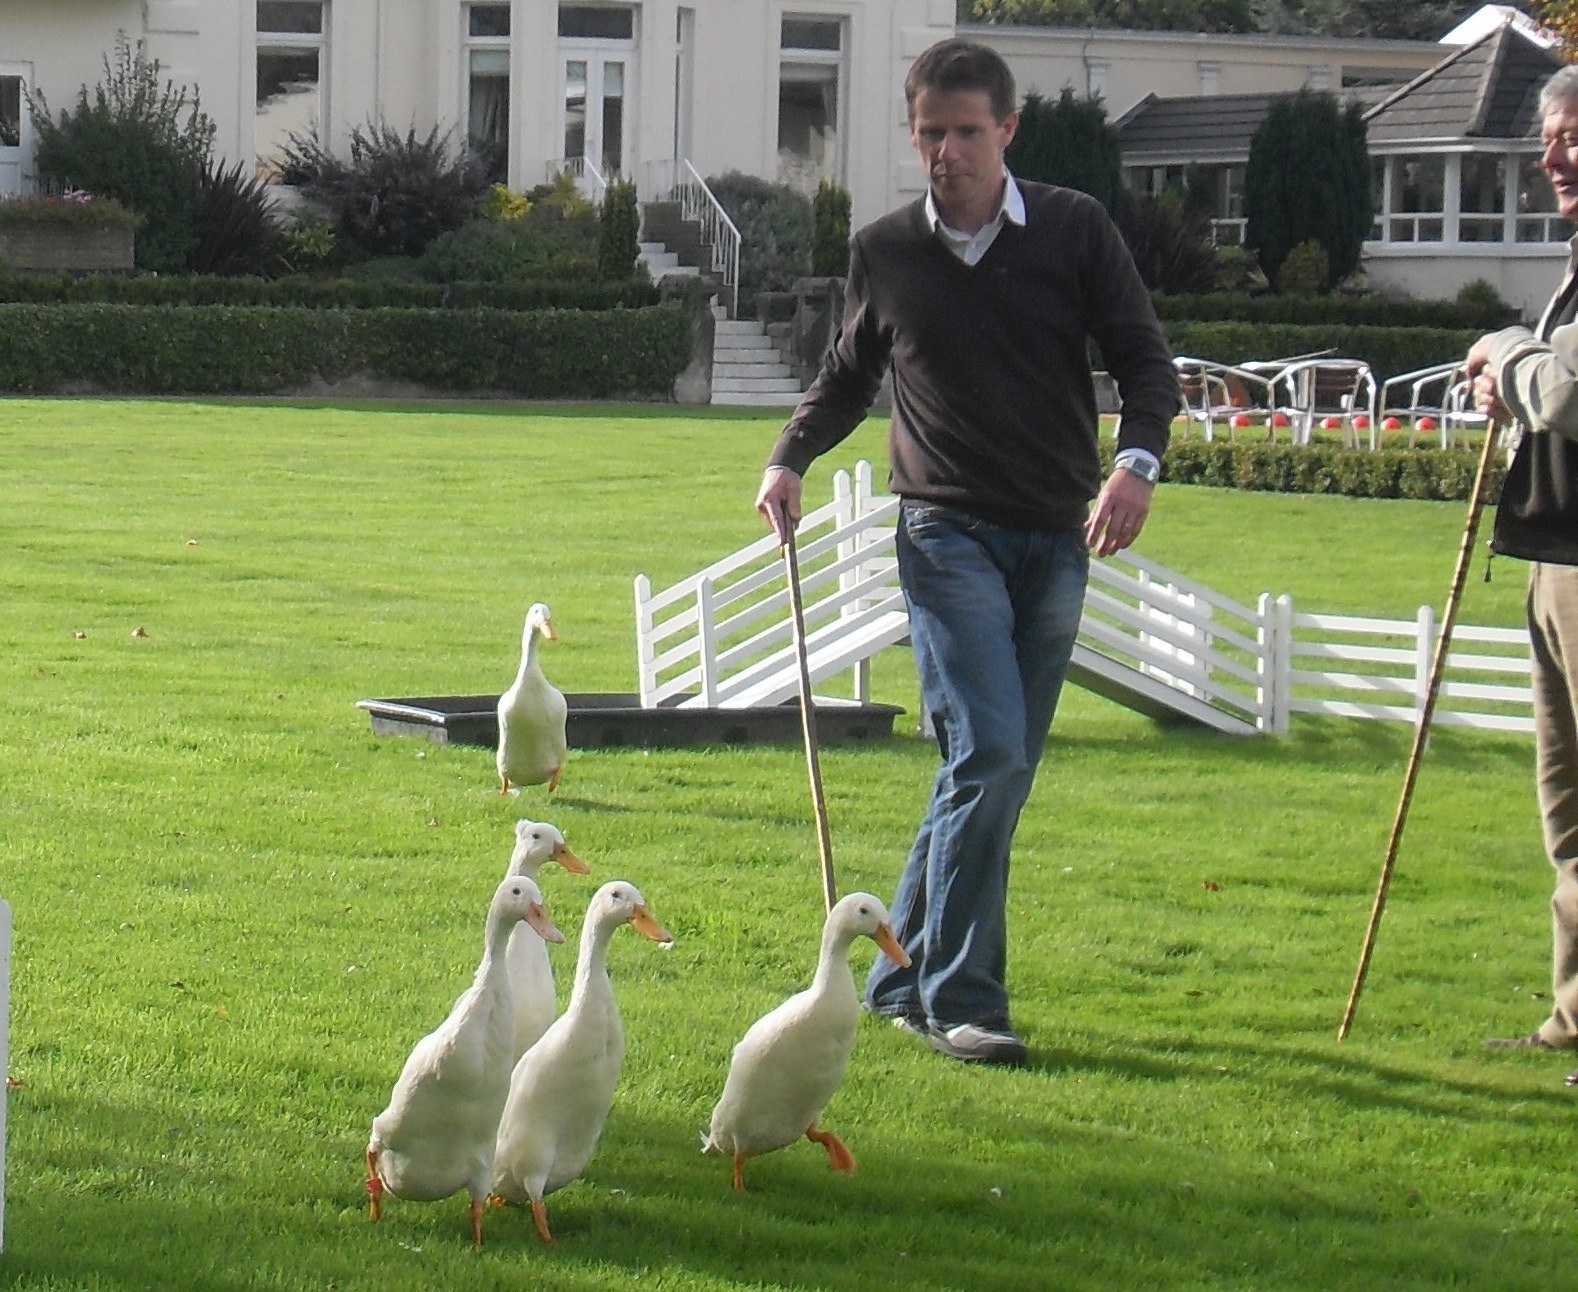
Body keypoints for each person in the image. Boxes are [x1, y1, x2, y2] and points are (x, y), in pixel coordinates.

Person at [753, 38, 1179, 1067]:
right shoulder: (888, 249)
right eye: (931, 132)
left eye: (967, 131)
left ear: (1008, 130)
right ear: (913, 134)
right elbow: (849, 374)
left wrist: (1135, 465)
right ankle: (963, 997)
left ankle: (896, 974)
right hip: (943, 532)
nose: (947, 150)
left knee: (989, 769)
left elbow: (1144, 362)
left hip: (1057, 535)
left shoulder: (1074, 230)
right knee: (988, 752)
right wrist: (789, 456)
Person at [1465, 63, 1578, 1070]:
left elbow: (1572, 393)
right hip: (1554, 560)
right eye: (1549, 137)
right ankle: (1574, 1012)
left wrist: (1507, 353)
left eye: (1572, 134)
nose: (1552, 158)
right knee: (1566, 813)